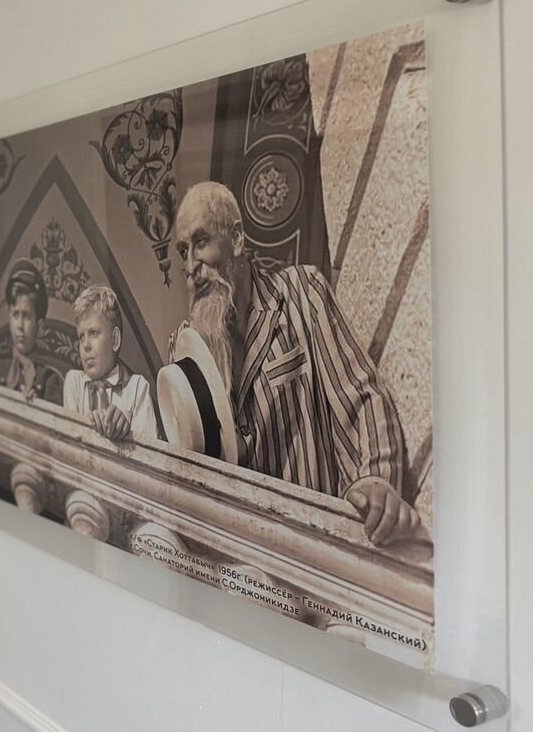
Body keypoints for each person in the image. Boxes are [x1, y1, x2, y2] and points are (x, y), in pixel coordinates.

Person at [171, 181, 419, 546]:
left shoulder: (301, 292)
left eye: (201, 241)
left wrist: (375, 481)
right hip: (244, 553)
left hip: (321, 546)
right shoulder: (188, 351)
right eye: (183, 251)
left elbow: (360, 396)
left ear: (236, 239)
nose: (190, 265)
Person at [63, 284, 159, 442]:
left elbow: (149, 450)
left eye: (93, 333)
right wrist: (89, 424)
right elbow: (70, 442)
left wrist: (127, 433)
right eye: (81, 336)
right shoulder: (74, 383)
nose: (85, 345)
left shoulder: (137, 387)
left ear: (115, 340)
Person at [0, 259, 64, 404]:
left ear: (39, 327)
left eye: (26, 316)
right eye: (15, 315)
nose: (20, 325)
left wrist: (38, 405)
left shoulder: (48, 380)